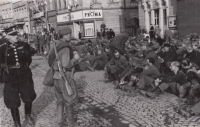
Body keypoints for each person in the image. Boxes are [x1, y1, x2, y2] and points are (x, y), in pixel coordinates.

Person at [0, 25, 36, 127]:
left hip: (24, 74)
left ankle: (28, 116)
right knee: (12, 100)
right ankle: (17, 123)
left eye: (16, 34)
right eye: (13, 35)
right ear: (8, 36)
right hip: (10, 77)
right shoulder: (2, 48)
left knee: (28, 96)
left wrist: (23, 68)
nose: (16, 36)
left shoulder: (24, 45)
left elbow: (29, 60)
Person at [48, 27, 80, 127]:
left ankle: (60, 122)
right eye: (69, 34)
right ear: (64, 36)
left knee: (60, 101)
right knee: (69, 100)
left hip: (56, 77)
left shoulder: (55, 45)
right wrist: (75, 59)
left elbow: (50, 60)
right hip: (64, 77)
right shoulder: (65, 48)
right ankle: (71, 123)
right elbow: (66, 64)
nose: (70, 36)